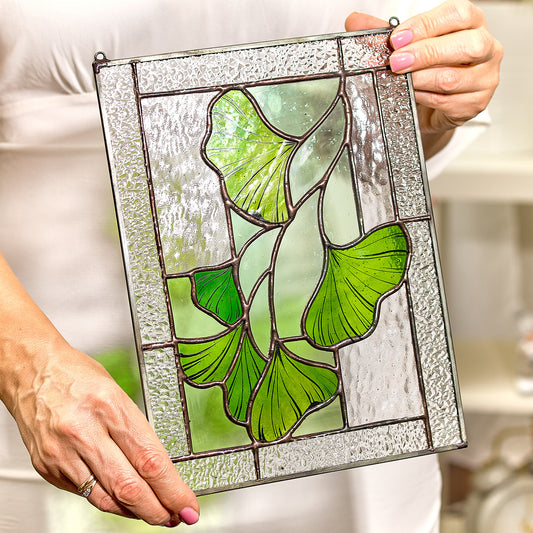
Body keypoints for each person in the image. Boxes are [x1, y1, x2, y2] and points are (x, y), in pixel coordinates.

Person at [0, 0, 502, 530]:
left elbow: (407, 129)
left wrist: (430, 100)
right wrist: (26, 363)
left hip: (358, 402)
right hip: (73, 393)